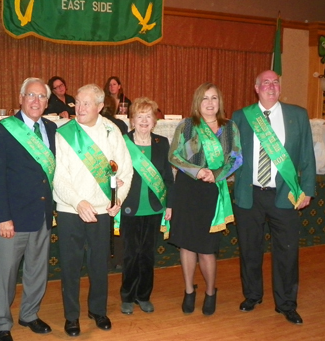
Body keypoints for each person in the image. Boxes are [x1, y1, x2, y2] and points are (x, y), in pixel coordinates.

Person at [232, 70, 315, 325]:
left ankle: (286, 304)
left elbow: (307, 156)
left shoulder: (297, 115)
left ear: (280, 87)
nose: (271, 86)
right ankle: (253, 295)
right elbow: (231, 155)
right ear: (256, 88)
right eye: (265, 82)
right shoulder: (241, 117)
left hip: (285, 194)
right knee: (250, 249)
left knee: (287, 252)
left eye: (275, 82)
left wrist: (308, 190)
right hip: (249, 194)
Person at [53, 83, 133, 337]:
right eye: (77, 102)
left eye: (87, 103)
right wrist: (78, 202)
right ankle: (71, 316)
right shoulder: (63, 133)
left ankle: (98, 310)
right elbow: (58, 175)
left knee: (99, 264)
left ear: (100, 107)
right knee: (70, 265)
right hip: (70, 210)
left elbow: (126, 170)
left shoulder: (113, 132)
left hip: (101, 211)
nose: (80, 107)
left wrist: (117, 198)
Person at [0, 78, 57, 341]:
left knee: (37, 271)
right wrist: (2, 216)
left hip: (41, 213)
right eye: (31, 95)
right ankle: (1, 323)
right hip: (12, 218)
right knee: (5, 274)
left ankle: (29, 315)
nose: (36, 101)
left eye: (41, 97)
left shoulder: (50, 127)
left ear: (47, 102)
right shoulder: (3, 130)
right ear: (21, 97)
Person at [169, 82, 242, 316]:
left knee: (207, 248)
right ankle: (189, 290)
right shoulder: (187, 126)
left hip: (212, 190)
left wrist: (216, 173)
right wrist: (196, 171)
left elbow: (236, 158)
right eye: (205, 99)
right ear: (197, 102)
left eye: (214, 98)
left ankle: (211, 292)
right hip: (187, 190)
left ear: (219, 102)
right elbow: (174, 156)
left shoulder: (230, 128)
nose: (210, 103)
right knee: (187, 244)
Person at [120, 97, 174, 315]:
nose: (144, 120)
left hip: (153, 208)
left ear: (154, 121)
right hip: (129, 207)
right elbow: (111, 170)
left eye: (148, 116)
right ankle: (127, 296)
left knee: (148, 255)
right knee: (130, 254)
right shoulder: (123, 141)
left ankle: (143, 296)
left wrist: (169, 204)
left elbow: (168, 178)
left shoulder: (162, 143)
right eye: (139, 116)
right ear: (132, 120)